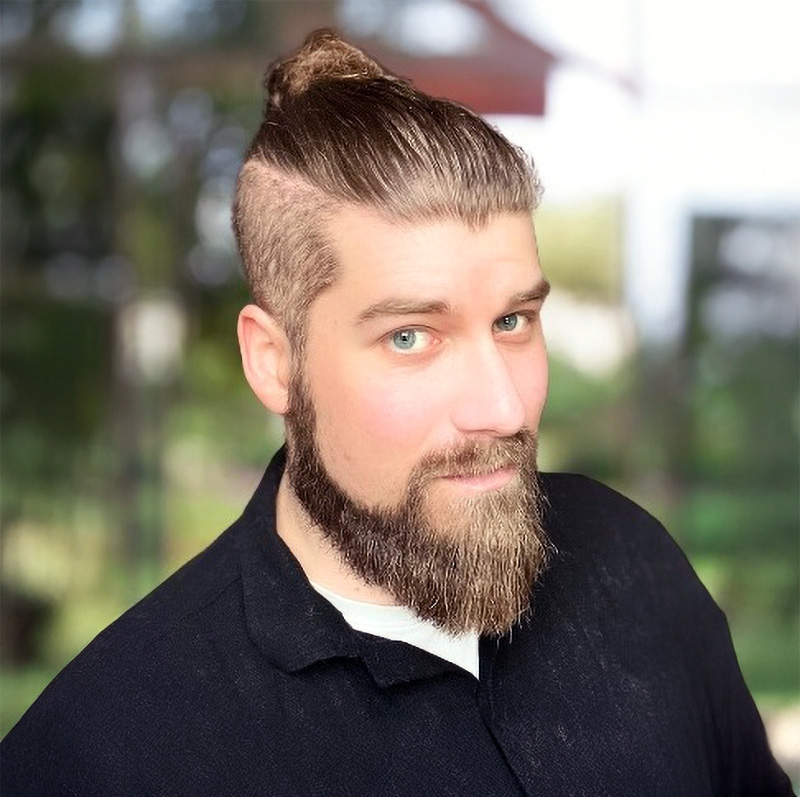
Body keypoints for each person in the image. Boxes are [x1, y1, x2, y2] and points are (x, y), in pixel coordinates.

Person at [1, 29, 792, 797]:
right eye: (410, 336)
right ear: (273, 361)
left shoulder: (632, 565)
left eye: (513, 320)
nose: (503, 408)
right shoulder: (104, 752)